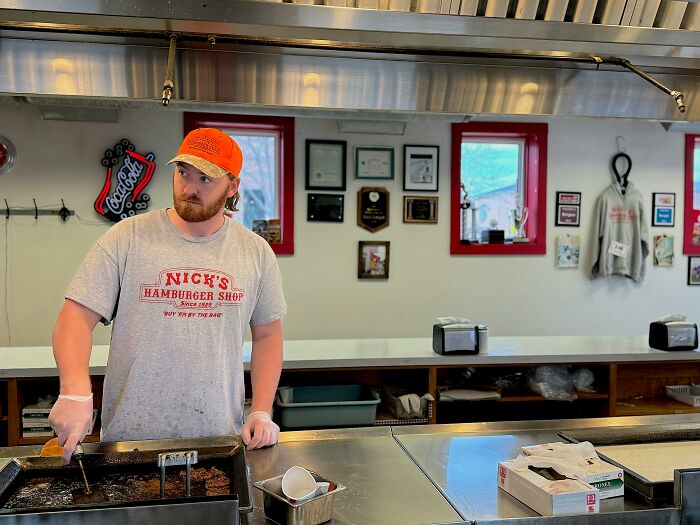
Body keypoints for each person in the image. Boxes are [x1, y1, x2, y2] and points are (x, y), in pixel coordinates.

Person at [48, 128, 286, 462]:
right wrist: (74, 391)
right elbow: (74, 318)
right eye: (183, 173)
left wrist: (261, 410)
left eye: (206, 179)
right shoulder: (127, 237)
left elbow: (268, 334)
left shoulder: (255, 252)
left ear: (232, 186)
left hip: (217, 441)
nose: (189, 188)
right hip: (130, 443)